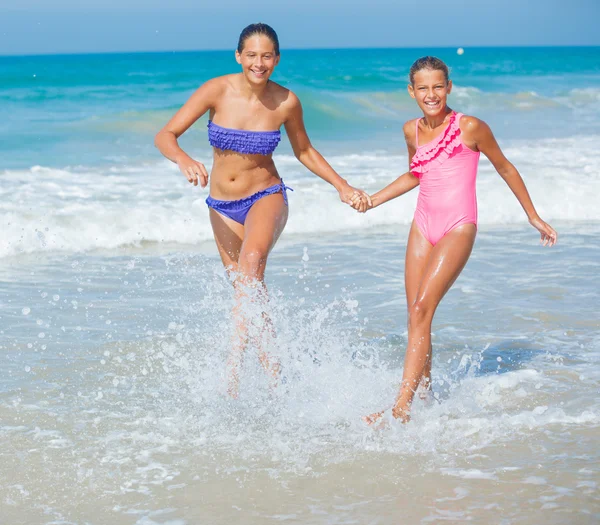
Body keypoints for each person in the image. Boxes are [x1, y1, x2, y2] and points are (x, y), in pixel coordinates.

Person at [154, 23, 370, 398]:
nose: (259, 63)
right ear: (238, 56)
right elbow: (165, 135)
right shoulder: (216, 90)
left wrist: (342, 186)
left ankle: (232, 376)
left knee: (251, 263)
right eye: (251, 55)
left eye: (266, 56)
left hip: (265, 196)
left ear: (277, 59)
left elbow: (304, 151)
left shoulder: (286, 102)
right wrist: (183, 160)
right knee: (247, 290)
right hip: (221, 205)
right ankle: (276, 377)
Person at [359, 56, 557, 424]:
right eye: (423, 88)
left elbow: (505, 166)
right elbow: (416, 174)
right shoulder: (411, 130)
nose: (430, 94)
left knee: (421, 309)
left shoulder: (470, 126)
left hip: (459, 226)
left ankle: (400, 407)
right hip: (422, 223)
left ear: (449, 86)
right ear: (411, 91)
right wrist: (373, 200)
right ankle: (426, 396)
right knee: (415, 314)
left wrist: (532, 215)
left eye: (438, 86)